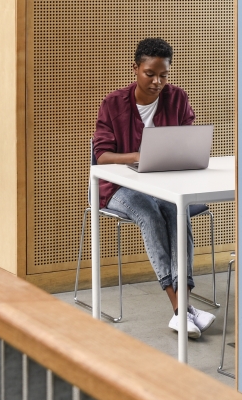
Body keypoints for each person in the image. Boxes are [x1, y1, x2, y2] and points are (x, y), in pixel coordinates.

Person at [92, 38, 216, 339]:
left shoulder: (177, 98)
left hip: (165, 183)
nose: (157, 81)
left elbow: (187, 143)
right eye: (150, 74)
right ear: (135, 69)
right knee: (149, 215)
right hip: (119, 188)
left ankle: (183, 309)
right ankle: (180, 308)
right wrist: (137, 156)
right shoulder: (113, 103)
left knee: (177, 210)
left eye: (163, 75)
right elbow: (102, 156)